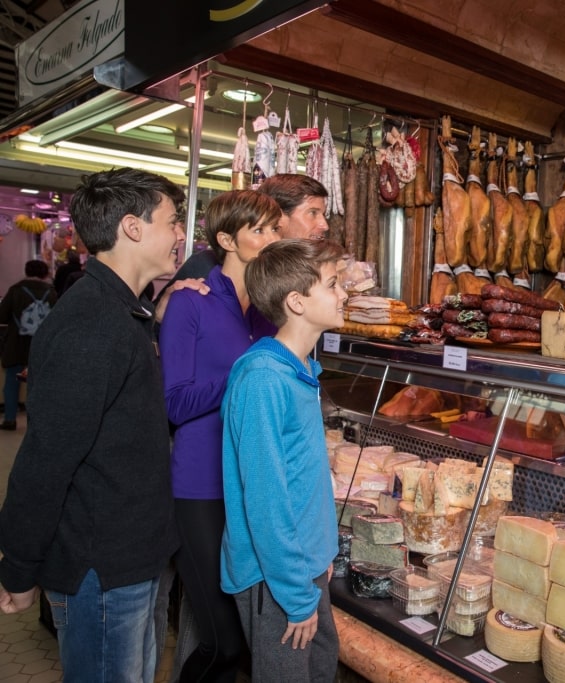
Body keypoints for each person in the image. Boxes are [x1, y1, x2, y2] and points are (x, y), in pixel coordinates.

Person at [0, 168, 184, 683]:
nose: (179, 235)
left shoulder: (124, 311)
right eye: (172, 222)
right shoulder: (91, 323)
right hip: (101, 567)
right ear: (132, 227)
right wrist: (18, 563)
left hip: (134, 555)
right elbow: (46, 460)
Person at [159, 190, 282, 682]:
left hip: (251, 483)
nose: (273, 238)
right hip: (200, 485)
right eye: (261, 230)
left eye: (276, 228)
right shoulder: (192, 301)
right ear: (227, 239)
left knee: (248, 641)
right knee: (222, 639)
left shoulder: (268, 310)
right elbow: (176, 401)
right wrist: (245, 371)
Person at [220, 238, 345, 682]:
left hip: (304, 566)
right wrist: (295, 592)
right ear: (296, 301)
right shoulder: (263, 379)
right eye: (333, 284)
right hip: (276, 577)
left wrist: (322, 549)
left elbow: (303, 477)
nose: (344, 294)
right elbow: (266, 501)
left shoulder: (301, 368)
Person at [162, 174, 330, 295]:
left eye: (323, 214)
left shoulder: (302, 268)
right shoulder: (206, 265)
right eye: (313, 213)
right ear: (278, 213)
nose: (324, 225)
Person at [0, 260, 56, 430]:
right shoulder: (52, 292)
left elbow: (2, 316)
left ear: (26, 270)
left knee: (12, 381)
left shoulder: (16, 290)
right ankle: (35, 422)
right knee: (38, 382)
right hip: (42, 343)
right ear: (45, 273)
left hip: (16, 342)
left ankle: (10, 419)